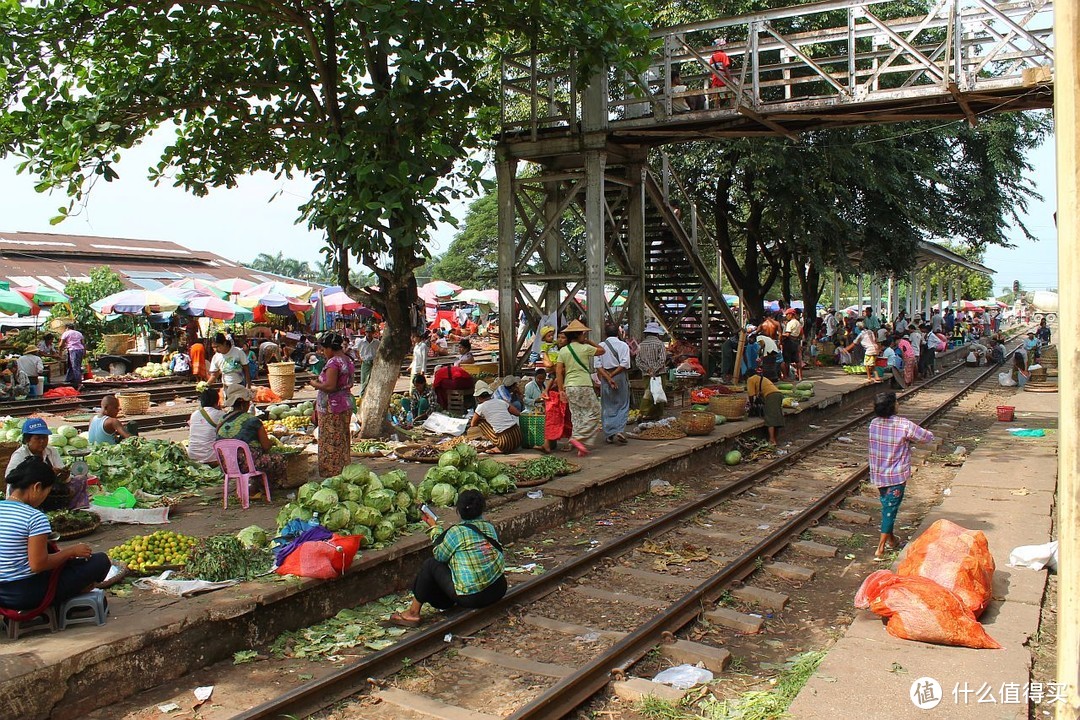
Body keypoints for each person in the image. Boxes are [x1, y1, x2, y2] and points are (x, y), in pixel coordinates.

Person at [0, 458, 111, 611]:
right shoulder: (34, 517)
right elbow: (38, 564)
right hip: (25, 594)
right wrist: (71, 551)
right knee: (100, 561)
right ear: (37, 487)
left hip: (2, 594)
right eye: (47, 491)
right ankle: (72, 598)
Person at [387, 490, 506, 627]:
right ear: (482, 509)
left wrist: (434, 528)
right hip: (498, 589)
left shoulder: (457, 532)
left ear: (458, 511)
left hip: (473, 598)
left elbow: (439, 555)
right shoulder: (489, 527)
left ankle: (412, 613)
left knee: (430, 565)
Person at [867, 392, 934, 560]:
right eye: (896, 402)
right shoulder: (903, 424)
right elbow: (925, 438)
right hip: (896, 476)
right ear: (892, 406)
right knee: (890, 510)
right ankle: (880, 549)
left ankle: (892, 540)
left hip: (879, 474)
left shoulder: (873, 423)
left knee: (887, 505)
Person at [216, 383, 286, 485]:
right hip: (247, 465)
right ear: (243, 403)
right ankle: (266, 486)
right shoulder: (252, 420)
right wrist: (272, 442)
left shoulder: (222, 419)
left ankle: (252, 485)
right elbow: (266, 446)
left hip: (227, 465)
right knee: (280, 459)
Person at [556, 320, 606, 456]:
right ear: (578, 335)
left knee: (577, 416)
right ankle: (578, 438)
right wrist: (589, 342)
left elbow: (559, 372)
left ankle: (581, 447)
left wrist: (561, 390)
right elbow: (602, 351)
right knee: (595, 411)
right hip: (584, 384)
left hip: (569, 386)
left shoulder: (563, 351)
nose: (584, 336)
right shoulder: (585, 348)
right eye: (583, 334)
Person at [309, 332, 355, 478]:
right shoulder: (347, 360)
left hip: (332, 407)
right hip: (344, 404)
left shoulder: (334, 362)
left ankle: (332, 471)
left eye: (324, 349)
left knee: (331, 439)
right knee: (341, 437)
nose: (323, 352)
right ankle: (343, 469)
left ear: (331, 348)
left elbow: (330, 386)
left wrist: (314, 383)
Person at [4, 418, 67, 492]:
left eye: (44, 437)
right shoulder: (20, 455)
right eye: (37, 438)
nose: (42, 441)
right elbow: (10, 478)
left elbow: (61, 471)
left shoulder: (51, 451)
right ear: (27, 439)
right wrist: (47, 473)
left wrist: (64, 475)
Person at [596, 323, 631, 444]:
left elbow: (598, 366)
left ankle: (609, 433)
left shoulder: (600, 346)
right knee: (623, 403)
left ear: (605, 334)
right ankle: (619, 430)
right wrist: (613, 376)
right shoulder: (623, 345)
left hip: (605, 375)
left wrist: (607, 377)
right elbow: (624, 364)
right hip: (619, 375)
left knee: (607, 405)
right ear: (619, 333)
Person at [470, 381, 522, 453]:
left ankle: (499, 448)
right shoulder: (501, 401)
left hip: (505, 441)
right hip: (518, 437)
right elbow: (517, 413)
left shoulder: (480, 407)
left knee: (480, 422)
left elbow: (473, 424)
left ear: (478, 397)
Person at [637, 321, 669, 421]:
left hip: (646, 374)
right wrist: (654, 369)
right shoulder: (660, 344)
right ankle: (648, 413)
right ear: (657, 333)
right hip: (660, 373)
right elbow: (662, 359)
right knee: (658, 393)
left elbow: (638, 361)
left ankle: (648, 414)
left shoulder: (641, 345)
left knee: (648, 392)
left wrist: (648, 369)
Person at [746, 366, 785, 445]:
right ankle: (775, 437)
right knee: (776, 415)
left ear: (747, 375)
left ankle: (772, 440)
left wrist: (751, 404)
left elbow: (751, 394)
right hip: (778, 394)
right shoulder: (761, 378)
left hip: (771, 396)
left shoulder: (750, 379)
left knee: (770, 417)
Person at [186, 388, 223, 464]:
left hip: (192, 456)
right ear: (217, 401)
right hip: (210, 458)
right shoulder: (219, 414)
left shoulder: (194, 414)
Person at [57, 322, 85, 389]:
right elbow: (83, 343)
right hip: (80, 349)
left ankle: (79, 383)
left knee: (75, 367)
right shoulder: (79, 333)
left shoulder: (66, 333)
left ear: (67, 328)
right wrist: (84, 352)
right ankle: (68, 379)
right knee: (71, 365)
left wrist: (59, 351)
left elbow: (61, 344)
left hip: (73, 350)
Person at [353, 326, 379, 397]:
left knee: (374, 379)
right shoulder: (361, 341)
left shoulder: (376, 342)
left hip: (374, 362)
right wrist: (359, 358)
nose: (368, 334)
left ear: (373, 333)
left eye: (370, 332)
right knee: (364, 379)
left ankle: (373, 394)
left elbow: (380, 351)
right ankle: (362, 395)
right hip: (365, 361)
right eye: (367, 332)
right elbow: (355, 349)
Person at [781, 309, 802, 381]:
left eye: (787, 315)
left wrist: (780, 335)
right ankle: (800, 376)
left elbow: (787, 334)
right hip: (796, 342)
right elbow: (800, 334)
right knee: (797, 360)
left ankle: (786, 376)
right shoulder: (798, 323)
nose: (786, 317)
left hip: (789, 342)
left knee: (786, 360)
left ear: (790, 314)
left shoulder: (790, 323)